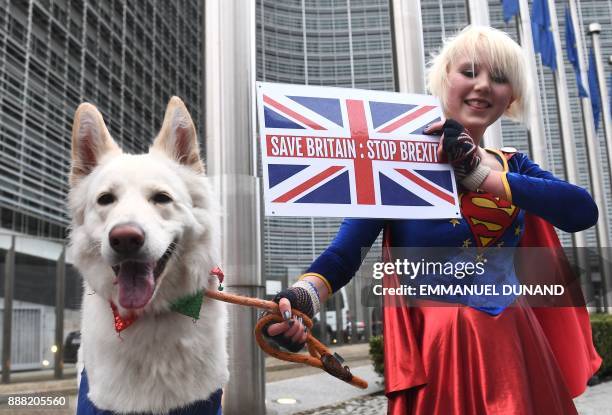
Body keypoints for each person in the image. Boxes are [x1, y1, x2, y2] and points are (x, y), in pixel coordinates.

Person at [265, 26, 602, 414]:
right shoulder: (395, 161)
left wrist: (479, 174)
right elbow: (344, 254)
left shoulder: (514, 165)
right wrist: (300, 300)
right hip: (439, 351)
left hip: (515, 344)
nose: (483, 86)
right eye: (469, 72)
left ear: (513, 96)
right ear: (444, 78)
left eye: (500, 78)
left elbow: (581, 211)